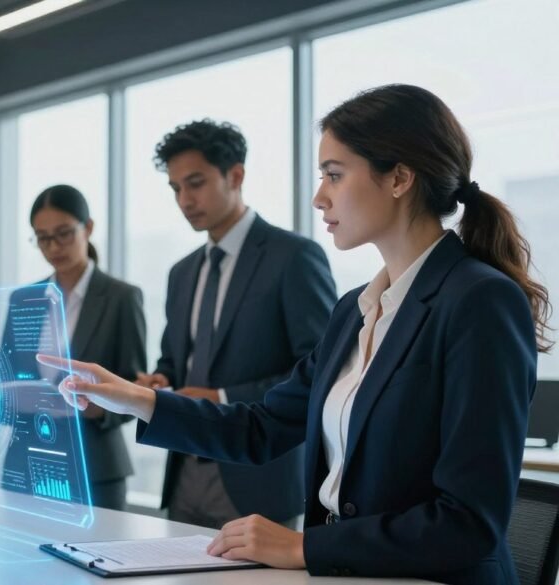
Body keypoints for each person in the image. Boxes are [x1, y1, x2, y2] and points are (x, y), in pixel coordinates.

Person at [38, 84, 550, 585]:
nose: (318, 197)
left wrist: (304, 546)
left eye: (334, 175)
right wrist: (136, 399)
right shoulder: (357, 310)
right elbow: (260, 427)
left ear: (399, 178)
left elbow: (468, 522)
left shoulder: (479, 301)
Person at [137, 120, 335, 528]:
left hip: (258, 477)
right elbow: (175, 358)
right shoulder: (182, 272)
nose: (185, 199)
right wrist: (159, 378)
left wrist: (223, 395)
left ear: (236, 175)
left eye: (195, 183)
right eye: (175, 188)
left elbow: (322, 369)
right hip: (184, 470)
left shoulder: (294, 257)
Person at [6, 185, 146, 510]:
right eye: (42, 238)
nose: (54, 247)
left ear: (89, 228)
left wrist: (97, 406)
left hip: (94, 465)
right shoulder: (24, 300)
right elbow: (9, 372)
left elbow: (134, 386)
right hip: (27, 461)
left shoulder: (121, 298)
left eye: (64, 234)